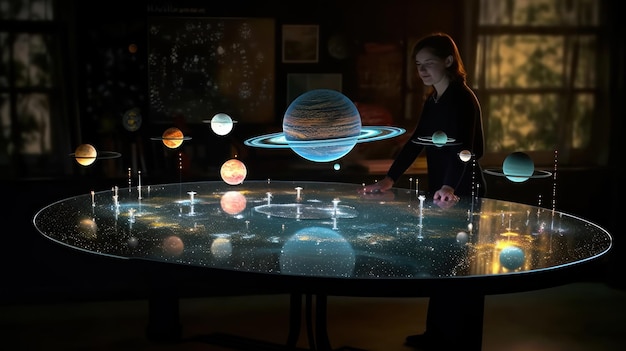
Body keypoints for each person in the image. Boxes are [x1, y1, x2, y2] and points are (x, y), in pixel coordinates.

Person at [361, 32, 487, 350]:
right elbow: (415, 142)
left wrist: (449, 184)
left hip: (464, 189)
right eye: (418, 65)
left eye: (428, 63)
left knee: (464, 268)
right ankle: (437, 334)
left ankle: (462, 341)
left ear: (448, 61)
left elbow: (468, 150)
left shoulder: (463, 98)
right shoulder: (433, 100)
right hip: (443, 191)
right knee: (443, 262)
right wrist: (390, 179)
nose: (422, 71)